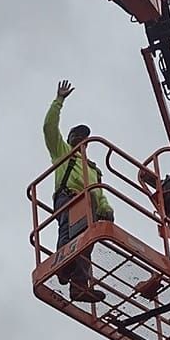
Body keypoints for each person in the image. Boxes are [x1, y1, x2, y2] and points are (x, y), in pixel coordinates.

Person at [43, 80, 114, 302]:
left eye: (83, 136)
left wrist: (106, 208)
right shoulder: (62, 152)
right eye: (76, 135)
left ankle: (77, 283)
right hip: (68, 198)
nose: (80, 138)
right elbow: (49, 128)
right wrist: (59, 100)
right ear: (69, 139)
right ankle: (66, 269)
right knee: (69, 235)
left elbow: (99, 193)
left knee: (85, 243)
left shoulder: (93, 169)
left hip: (88, 204)